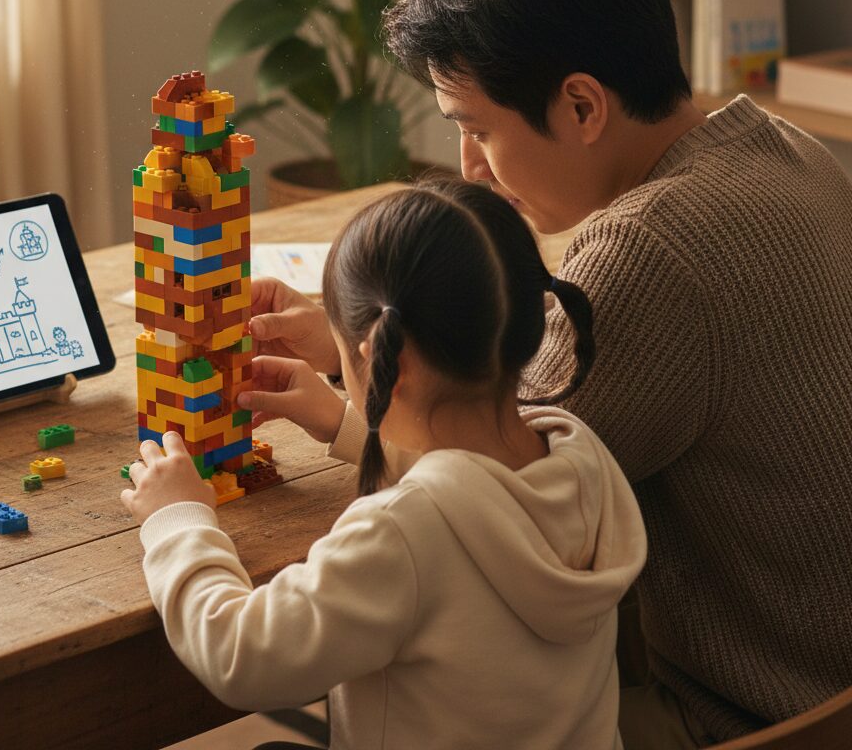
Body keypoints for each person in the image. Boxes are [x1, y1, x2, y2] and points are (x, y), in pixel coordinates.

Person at [242, 0, 852, 749]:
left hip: (744, 719)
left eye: (478, 129)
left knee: (329, 704)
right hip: (831, 691)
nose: (469, 167)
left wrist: (342, 409)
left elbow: (483, 495)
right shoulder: (781, 147)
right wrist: (354, 349)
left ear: (581, 106)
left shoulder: (644, 253)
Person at [122, 179, 647, 750]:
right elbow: (478, 493)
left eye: (343, 355)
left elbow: (242, 656)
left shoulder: (400, 534)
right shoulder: (583, 457)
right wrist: (348, 422)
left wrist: (179, 521)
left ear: (382, 363)